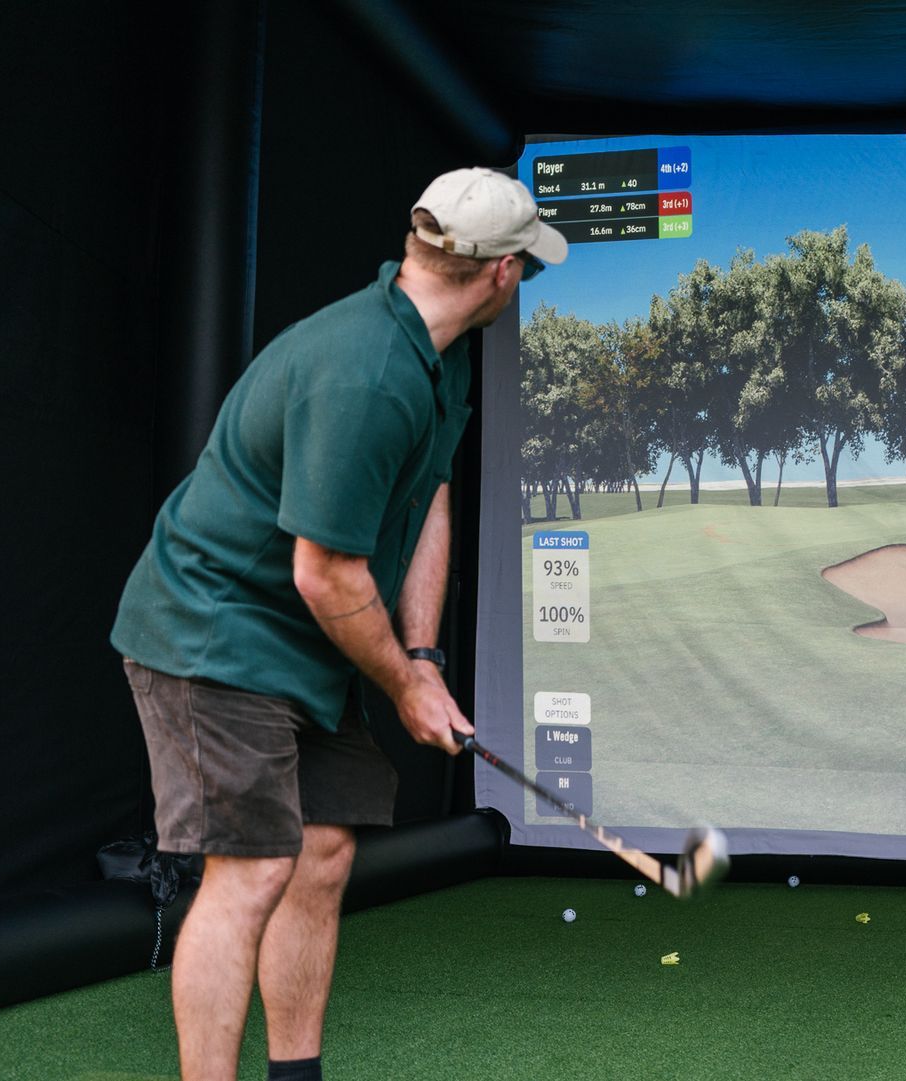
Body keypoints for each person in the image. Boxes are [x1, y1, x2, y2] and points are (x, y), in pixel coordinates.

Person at [111, 167, 566, 1081]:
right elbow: (323, 571)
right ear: (503, 273)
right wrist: (402, 683)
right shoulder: (366, 374)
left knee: (320, 852)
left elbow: (427, 492)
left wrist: (426, 655)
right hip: (215, 629)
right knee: (251, 869)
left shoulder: (442, 351)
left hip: (305, 639)